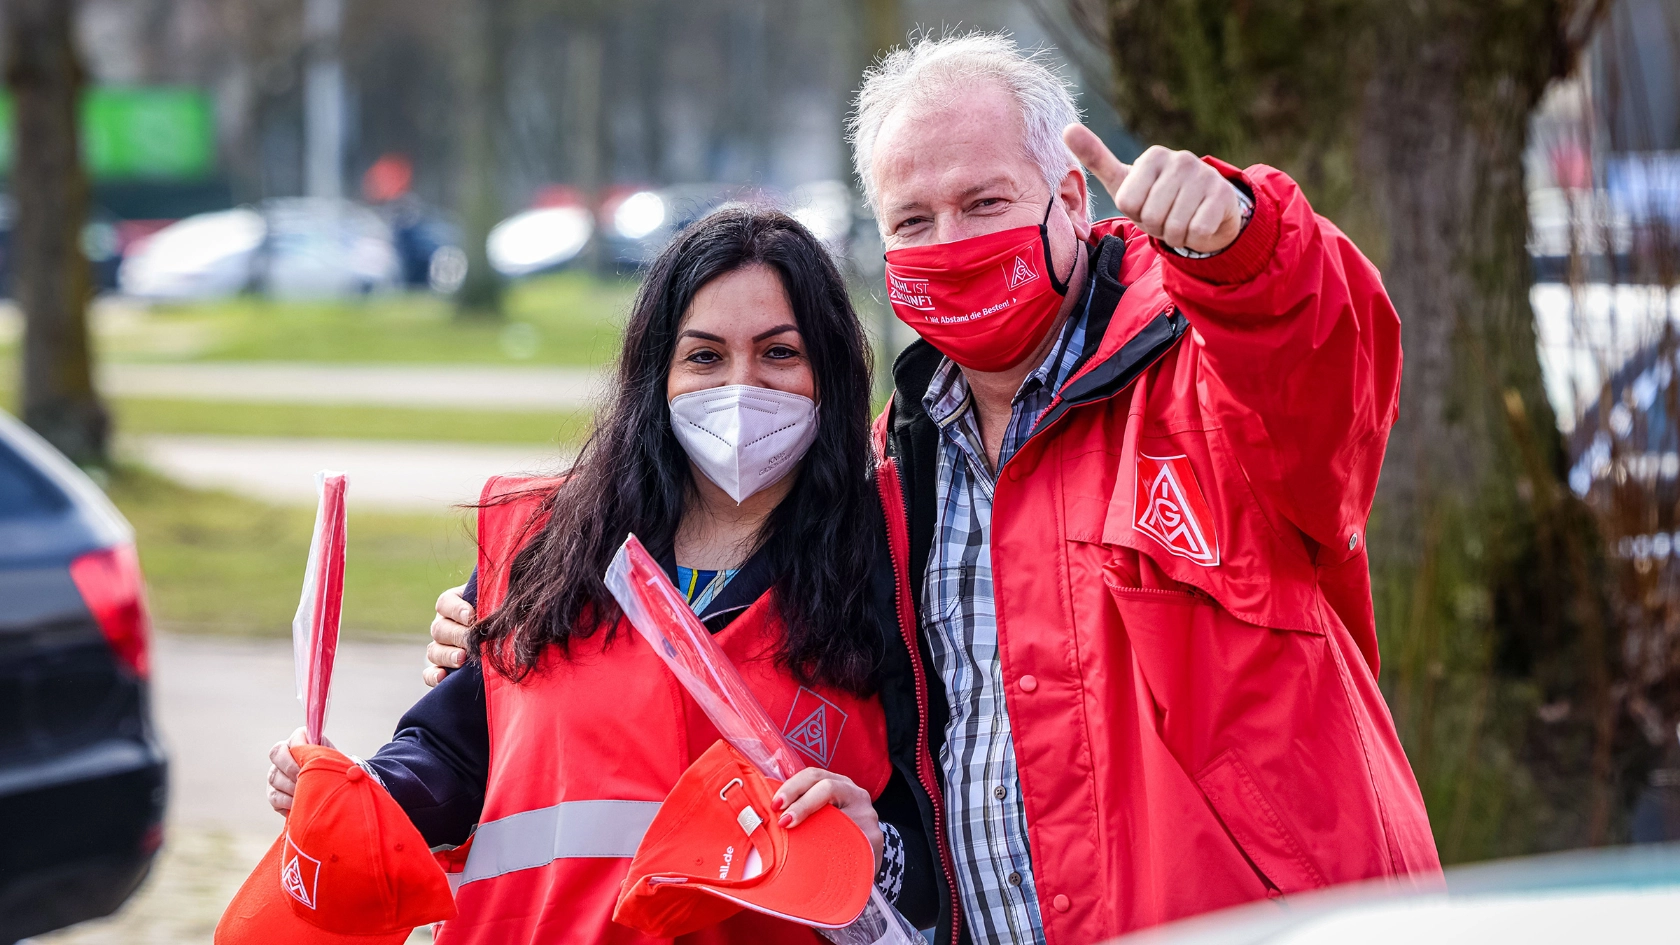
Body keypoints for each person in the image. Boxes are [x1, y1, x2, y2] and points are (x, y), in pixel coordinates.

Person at [430, 33, 1445, 945]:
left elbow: (1325, 372)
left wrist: (1246, 250)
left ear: (1071, 201)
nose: (950, 239)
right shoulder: (881, 481)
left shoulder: (1203, 389)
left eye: (985, 202)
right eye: (913, 218)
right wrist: (516, 629)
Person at [266, 209, 952, 944]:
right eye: (706, 357)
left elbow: (936, 857)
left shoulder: (896, 568)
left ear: (832, 374)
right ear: (656, 372)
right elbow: (456, 751)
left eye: (779, 352)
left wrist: (878, 855)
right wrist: (362, 793)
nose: (742, 385)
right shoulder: (544, 543)